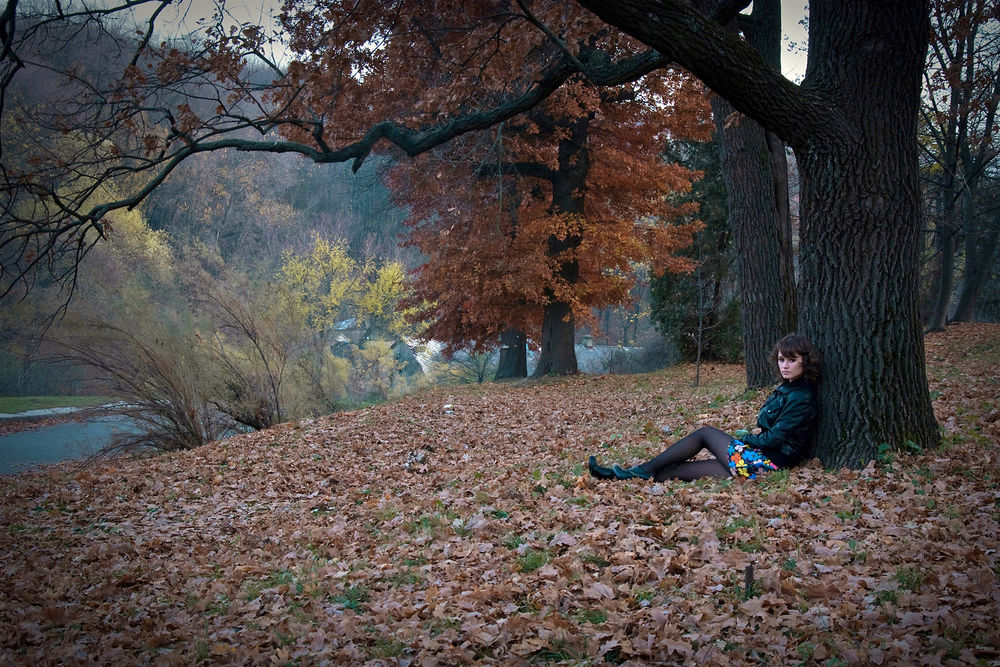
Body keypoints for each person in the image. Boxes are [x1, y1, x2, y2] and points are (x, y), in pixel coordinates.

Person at [589, 333, 820, 482]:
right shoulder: (787, 389)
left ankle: (640, 470)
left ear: (804, 361)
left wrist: (743, 440)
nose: (785, 365)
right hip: (757, 459)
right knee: (672, 472)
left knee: (706, 433)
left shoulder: (801, 396)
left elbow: (773, 440)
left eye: (792, 360)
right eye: (781, 360)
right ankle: (623, 476)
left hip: (768, 463)